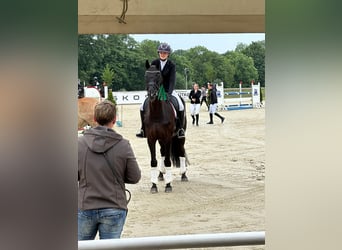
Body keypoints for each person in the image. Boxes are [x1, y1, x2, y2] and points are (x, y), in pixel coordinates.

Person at [78, 100, 141, 240]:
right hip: (114, 206)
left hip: (86, 205)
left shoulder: (79, 144)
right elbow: (135, 177)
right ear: (114, 120)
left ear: (94, 119)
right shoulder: (123, 145)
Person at [136, 42, 185, 138]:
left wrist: (169, 94)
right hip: (156, 90)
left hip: (167, 89)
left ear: (168, 54)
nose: (163, 54)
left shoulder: (171, 65)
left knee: (180, 105)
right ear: (159, 53)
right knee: (142, 106)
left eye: (165, 53)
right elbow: (151, 77)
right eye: (161, 52)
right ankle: (143, 129)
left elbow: (172, 80)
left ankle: (180, 128)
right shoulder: (154, 63)